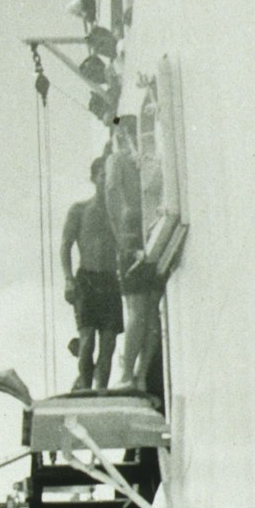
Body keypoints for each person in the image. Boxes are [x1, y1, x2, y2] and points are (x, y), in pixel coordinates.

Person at [104, 121, 162, 393]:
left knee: (136, 311)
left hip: (130, 240)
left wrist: (121, 245)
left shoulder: (116, 160)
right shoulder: (146, 159)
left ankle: (127, 375)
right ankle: (140, 375)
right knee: (151, 312)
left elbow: (112, 197)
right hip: (151, 233)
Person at [60, 159, 123, 391]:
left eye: (109, 175)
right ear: (94, 177)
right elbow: (65, 245)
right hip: (86, 279)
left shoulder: (116, 212)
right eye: (102, 175)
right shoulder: (79, 209)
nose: (106, 179)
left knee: (109, 342)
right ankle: (86, 388)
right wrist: (68, 280)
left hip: (110, 279)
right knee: (87, 341)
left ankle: (101, 390)